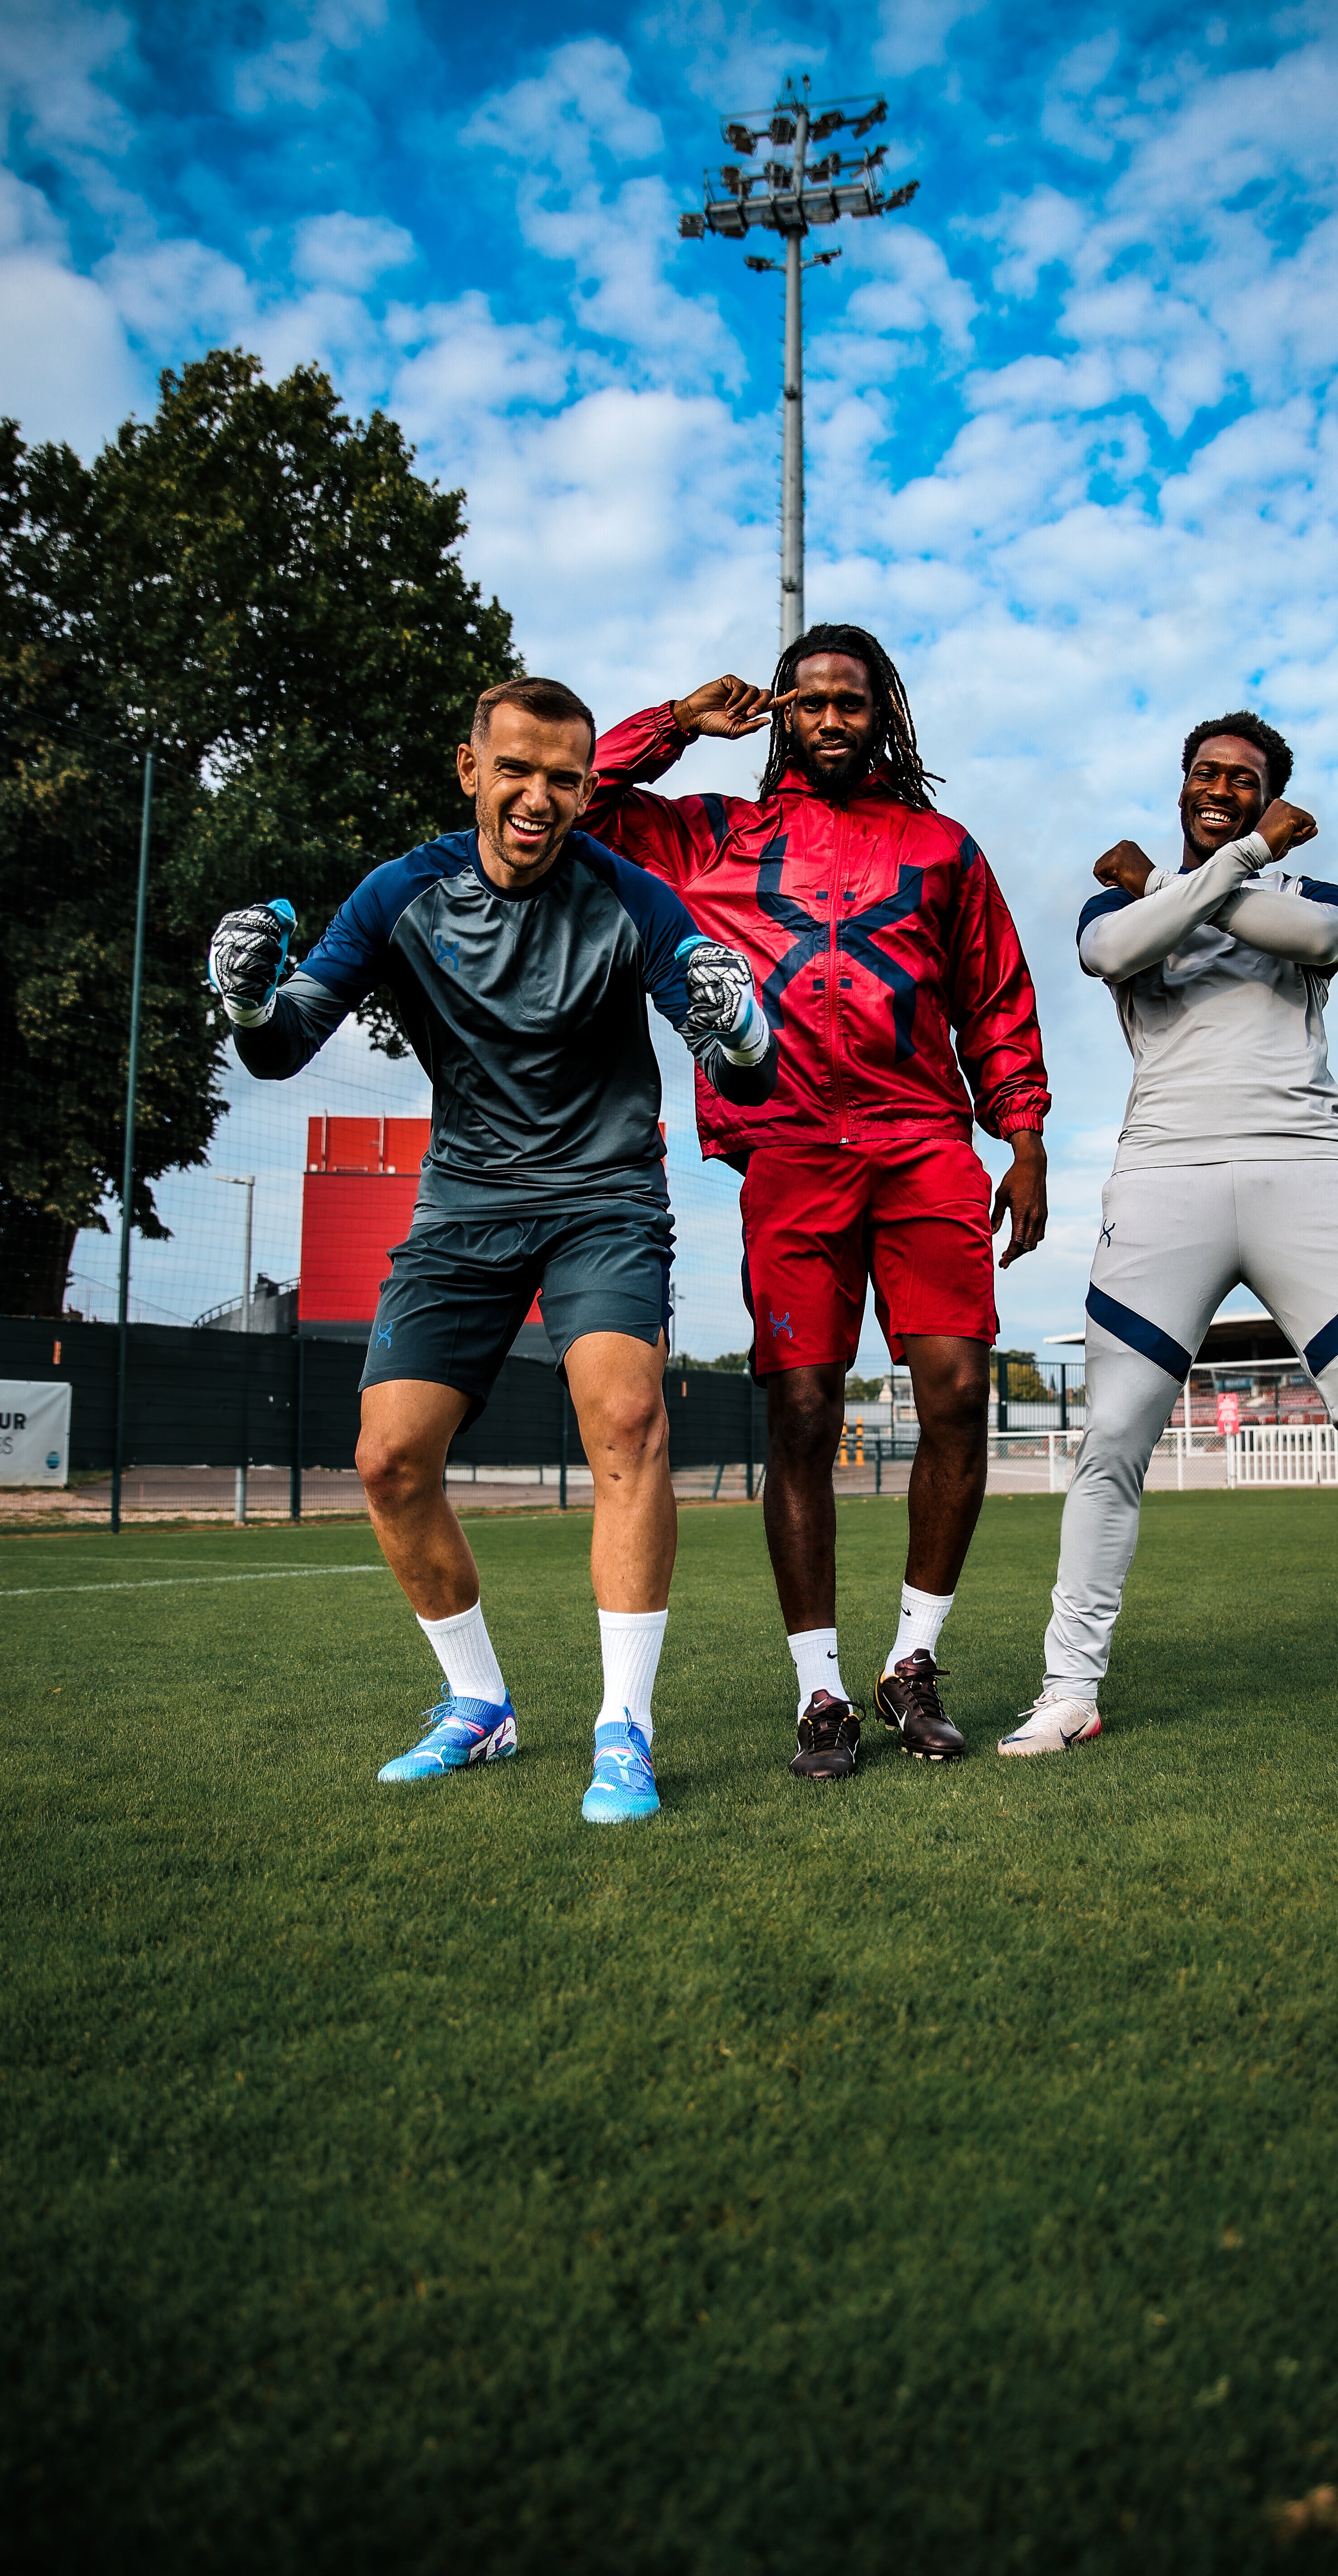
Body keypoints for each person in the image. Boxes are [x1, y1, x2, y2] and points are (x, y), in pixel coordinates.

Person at [205, 676, 778, 1822]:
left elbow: (745, 1073)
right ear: (472, 770)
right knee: (388, 1460)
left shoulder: (632, 898)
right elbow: (283, 1048)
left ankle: (625, 1729)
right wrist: (248, 1002)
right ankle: (479, 1704)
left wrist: (739, 1022)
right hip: (465, 1204)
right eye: (515, 770)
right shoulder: (399, 894)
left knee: (625, 1423)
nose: (539, 796)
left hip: (604, 1194)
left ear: (584, 789)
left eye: (565, 778)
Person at [1000, 708, 1338, 1761]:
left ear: (1271, 795)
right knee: (1113, 1440)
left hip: (1309, 1172)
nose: (1221, 789)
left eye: (1245, 783)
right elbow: (1107, 950)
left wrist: (1183, 882)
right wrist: (1218, 867)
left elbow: (1318, 940)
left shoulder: (1309, 896)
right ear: (1182, 789)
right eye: (1206, 774)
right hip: (1165, 1177)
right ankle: (1070, 1691)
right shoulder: (1125, 902)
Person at [584, 625, 1051, 1782]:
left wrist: (1026, 1137)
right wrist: (676, 725)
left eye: (853, 704)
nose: (833, 721)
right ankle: (823, 1692)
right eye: (812, 703)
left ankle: (912, 1667)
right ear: (782, 714)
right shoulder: (710, 839)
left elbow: (994, 995)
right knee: (800, 1413)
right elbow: (570, 813)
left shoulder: (942, 848)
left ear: (882, 713)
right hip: (790, 1150)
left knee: (954, 1394)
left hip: (925, 1145)